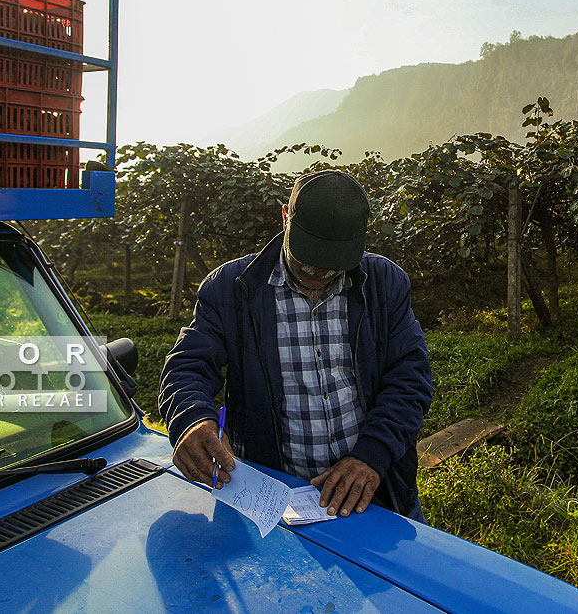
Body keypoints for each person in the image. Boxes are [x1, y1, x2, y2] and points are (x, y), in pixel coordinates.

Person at [159, 170, 432, 522]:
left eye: (333, 265)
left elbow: (409, 378)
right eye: (307, 258)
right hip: (274, 499)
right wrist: (191, 419)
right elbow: (188, 366)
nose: (318, 273)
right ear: (285, 216)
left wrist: (372, 455)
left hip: (374, 491)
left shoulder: (384, 283)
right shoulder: (232, 287)